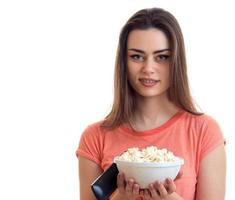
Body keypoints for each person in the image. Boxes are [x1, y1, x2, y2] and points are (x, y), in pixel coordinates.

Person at [76, 7, 226, 200]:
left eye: (162, 57)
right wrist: (122, 197)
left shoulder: (204, 131)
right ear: (123, 61)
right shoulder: (95, 137)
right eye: (137, 56)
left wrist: (168, 198)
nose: (148, 68)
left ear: (176, 61)